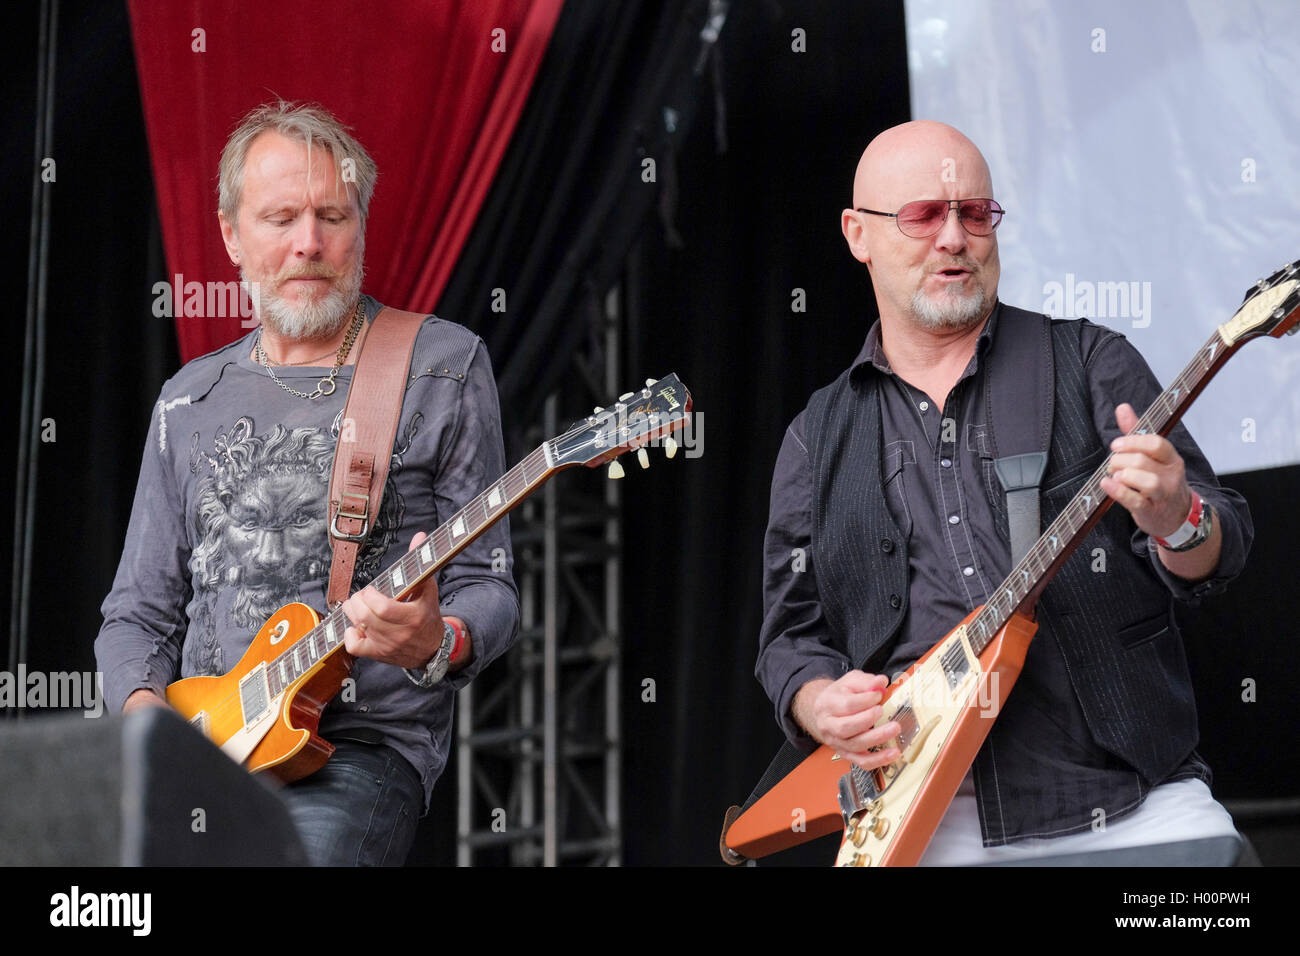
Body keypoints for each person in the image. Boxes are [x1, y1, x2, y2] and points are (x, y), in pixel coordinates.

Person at [755, 120, 1253, 864]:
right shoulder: (815, 437)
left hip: (1135, 807)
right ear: (858, 235)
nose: (955, 238)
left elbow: (1220, 550)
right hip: (922, 824)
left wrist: (1176, 518)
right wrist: (816, 701)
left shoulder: (1089, 361)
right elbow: (791, 638)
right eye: (924, 215)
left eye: (976, 214)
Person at [95, 101, 519, 866]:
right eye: (281, 217)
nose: (309, 243)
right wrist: (142, 720)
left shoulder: (440, 365)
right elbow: (137, 612)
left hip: (353, 747)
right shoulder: (188, 399)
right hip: (202, 756)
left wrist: (437, 640)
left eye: (333, 215)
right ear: (231, 236)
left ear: (362, 223)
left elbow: (489, 586)